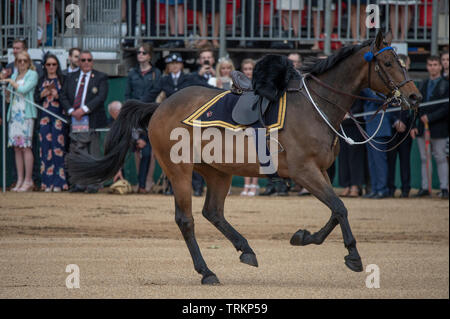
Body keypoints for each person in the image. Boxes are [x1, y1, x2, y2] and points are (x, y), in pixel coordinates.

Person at [60, 50, 109, 193]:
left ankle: (93, 184)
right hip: (75, 120)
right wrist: (71, 111)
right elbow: (63, 95)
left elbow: (101, 97)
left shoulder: (101, 77)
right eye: (83, 60)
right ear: (78, 62)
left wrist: (84, 110)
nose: (86, 63)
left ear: (92, 62)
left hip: (92, 119)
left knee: (93, 153)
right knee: (77, 151)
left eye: (89, 60)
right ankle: (79, 183)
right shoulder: (70, 77)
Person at [411, 56, 449, 199]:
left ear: (440, 67)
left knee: (440, 157)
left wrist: (431, 117)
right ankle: (425, 187)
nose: (432, 67)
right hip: (422, 127)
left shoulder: (446, 84)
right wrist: (414, 125)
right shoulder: (422, 84)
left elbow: (446, 107)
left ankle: (444, 188)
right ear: (427, 67)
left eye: (435, 64)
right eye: (430, 64)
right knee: (424, 158)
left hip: (439, 128)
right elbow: (416, 106)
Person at [1, 51, 39, 192]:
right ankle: (20, 179)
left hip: (26, 114)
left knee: (26, 146)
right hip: (15, 113)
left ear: (29, 62)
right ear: (16, 62)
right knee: (17, 148)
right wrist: (7, 88)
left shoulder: (32, 75)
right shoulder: (14, 76)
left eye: (24, 61)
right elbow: (8, 97)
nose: (22, 63)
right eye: (19, 61)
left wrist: (11, 82)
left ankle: (28, 180)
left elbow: (23, 89)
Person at [34, 53, 68, 192]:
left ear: (58, 66)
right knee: (45, 149)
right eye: (48, 64)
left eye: (54, 64)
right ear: (45, 66)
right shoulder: (41, 80)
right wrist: (42, 95)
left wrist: (57, 95)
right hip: (44, 118)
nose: (51, 67)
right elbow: (36, 98)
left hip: (58, 117)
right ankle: (47, 182)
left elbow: (66, 98)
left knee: (58, 149)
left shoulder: (63, 79)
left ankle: (60, 182)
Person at [387, 54, 413, 198]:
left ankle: (406, 188)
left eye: (405, 64)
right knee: (391, 160)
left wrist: (407, 123)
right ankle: (390, 188)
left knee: (405, 160)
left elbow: (414, 105)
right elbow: (388, 104)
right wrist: (395, 121)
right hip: (392, 127)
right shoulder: (390, 84)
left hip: (407, 127)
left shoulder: (410, 84)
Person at [361, 88, 392, 199]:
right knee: (372, 162)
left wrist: (365, 89)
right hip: (369, 130)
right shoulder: (371, 92)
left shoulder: (382, 91)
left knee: (379, 162)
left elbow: (377, 99)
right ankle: (375, 189)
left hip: (380, 130)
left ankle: (382, 189)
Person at [239, 58, 259, 196]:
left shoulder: (260, 84)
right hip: (242, 121)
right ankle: (246, 185)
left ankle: (254, 185)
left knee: (257, 154)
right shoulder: (238, 84)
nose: (247, 72)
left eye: (250, 69)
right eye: (245, 69)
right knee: (245, 154)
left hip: (257, 121)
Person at [338, 101, 366, 198]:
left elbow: (360, 105)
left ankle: (355, 186)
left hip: (355, 127)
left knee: (355, 158)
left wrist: (350, 113)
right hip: (342, 128)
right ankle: (346, 185)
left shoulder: (358, 90)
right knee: (343, 158)